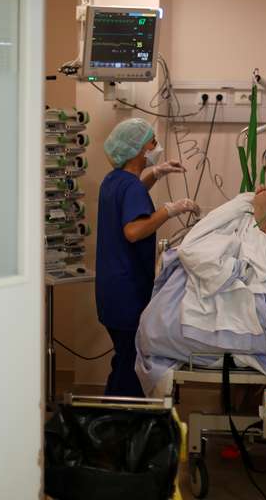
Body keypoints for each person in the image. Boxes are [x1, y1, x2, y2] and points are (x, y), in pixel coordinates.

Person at [96, 118, 200, 397]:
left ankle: (111, 419)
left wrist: (157, 172)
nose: (157, 147)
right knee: (129, 366)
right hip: (127, 293)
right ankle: (119, 424)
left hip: (111, 290)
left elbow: (134, 192)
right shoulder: (128, 187)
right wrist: (170, 210)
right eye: (153, 143)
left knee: (123, 359)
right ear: (139, 150)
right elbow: (133, 231)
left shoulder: (113, 180)